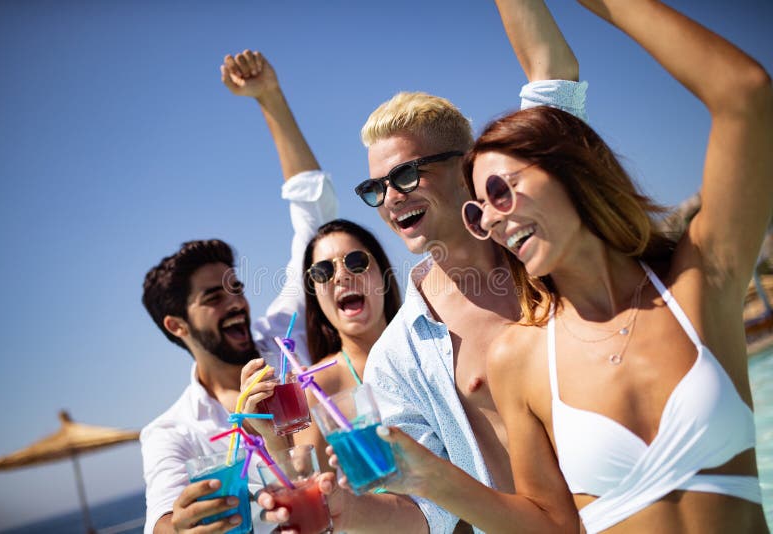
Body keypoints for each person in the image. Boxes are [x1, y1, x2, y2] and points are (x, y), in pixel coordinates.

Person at [374, 0, 772, 532]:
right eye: (480, 211)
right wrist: (432, 479)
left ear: (566, 170)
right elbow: (552, 527)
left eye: (499, 191)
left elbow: (745, 94)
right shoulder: (519, 356)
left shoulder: (699, 283)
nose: (491, 219)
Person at [283, 0, 588, 532]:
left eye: (406, 176)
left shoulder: (545, 231)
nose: (390, 199)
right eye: (375, 188)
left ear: (465, 166)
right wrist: (349, 511)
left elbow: (552, 76)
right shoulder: (397, 357)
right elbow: (431, 512)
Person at [139, 50, 338, 534]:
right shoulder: (173, 431)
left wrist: (269, 98)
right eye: (212, 297)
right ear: (176, 325)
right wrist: (179, 527)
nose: (235, 303)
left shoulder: (286, 339)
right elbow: (163, 523)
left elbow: (315, 222)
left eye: (235, 287)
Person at [291, 218, 401, 471]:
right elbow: (313, 487)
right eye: (323, 271)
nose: (341, 276)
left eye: (356, 261)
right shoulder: (317, 387)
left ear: (383, 273)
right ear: (315, 295)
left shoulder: (428, 348)